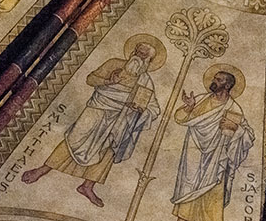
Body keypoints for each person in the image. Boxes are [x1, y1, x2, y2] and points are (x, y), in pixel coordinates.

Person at [20, 35, 165, 208]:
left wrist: (141, 110)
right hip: (97, 108)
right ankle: (43, 169)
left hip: (121, 119)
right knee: (74, 139)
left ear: (149, 61)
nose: (139, 56)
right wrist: (108, 81)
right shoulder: (114, 64)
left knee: (108, 150)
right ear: (132, 51)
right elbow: (90, 79)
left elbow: (153, 107)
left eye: (144, 55)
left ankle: (87, 186)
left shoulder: (145, 80)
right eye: (138, 52)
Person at [160, 64, 254, 221]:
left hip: (218, 155)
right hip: (194, 150)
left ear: (227, 85)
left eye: (219, 80)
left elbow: (247, 134)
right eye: (214, 78)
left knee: (214, 193)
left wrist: (236, 130)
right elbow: (180, 118)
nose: (214, 82)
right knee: (188, 185)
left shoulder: (233, 108)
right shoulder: (202, 99)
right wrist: (189, 107)